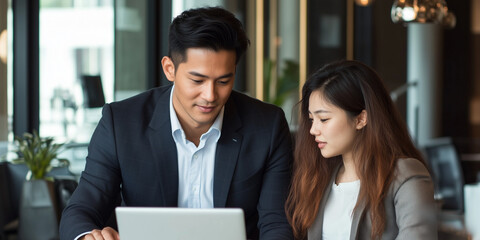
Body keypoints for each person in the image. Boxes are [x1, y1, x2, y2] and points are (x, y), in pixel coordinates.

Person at [59, 7, 293, 240]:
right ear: (170, 69)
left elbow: (276, 223)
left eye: (223, 81)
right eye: (197, 80)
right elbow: (82, 209)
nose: (210, 95)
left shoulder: (267, 126)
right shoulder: (120, 123)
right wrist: (87, 236)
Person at [285, 60, 437, 240]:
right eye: (311, 119)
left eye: (324, 119)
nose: (313, 130)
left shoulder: (404, 175)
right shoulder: (320, 177)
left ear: (361, 119)